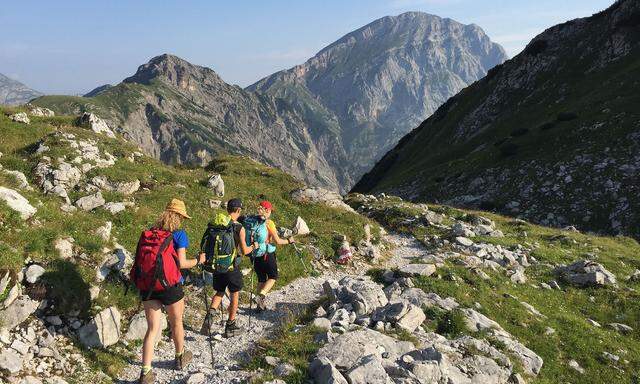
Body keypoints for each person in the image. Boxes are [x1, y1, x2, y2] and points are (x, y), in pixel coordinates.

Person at [133, 198, 205, 384]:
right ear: (179, 216)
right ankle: (180, 357)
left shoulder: (150, 233)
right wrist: (199, 260)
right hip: (170, 286)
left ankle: (145, 372)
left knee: (152, 328)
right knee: (176, 323)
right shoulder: (179, 235)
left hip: (148, 286)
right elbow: (182, 263)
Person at [200, 198, 258, 338]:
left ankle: (210, 316)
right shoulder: (239, 227)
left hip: (217, 265)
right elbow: (244, 251)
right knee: (234, 294)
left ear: (228, 209)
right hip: (232, 267)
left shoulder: (217, 224)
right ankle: (230, 325)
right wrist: (254, 246)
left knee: (219, 291)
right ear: (238, 210)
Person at [253, 200, 295, 311]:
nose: (271, 212)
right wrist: (289, 241)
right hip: (268, 254)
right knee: (273, 277)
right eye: (270, 210)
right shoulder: (268, 223)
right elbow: (278, 241)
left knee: (261, 279)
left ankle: (259, 306)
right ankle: (261, 296)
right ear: (267, 210)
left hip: (255, 254)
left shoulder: (253, 221)